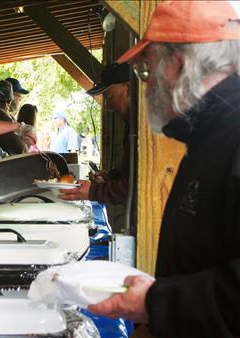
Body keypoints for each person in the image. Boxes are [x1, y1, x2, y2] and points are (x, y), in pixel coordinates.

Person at [87, 2, 240, 337]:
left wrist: (154, 303)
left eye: (147, 70)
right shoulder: (207, 135)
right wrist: (154, 319)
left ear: (179, 65)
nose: (146, 83)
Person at [59, 63, 130, 205]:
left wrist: (94, 191)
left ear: (128, 89)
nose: (108, 107)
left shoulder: (148, 127)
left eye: (109, 96)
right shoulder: (132, 124)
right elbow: (131, 178)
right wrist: (111, 178)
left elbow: (139, 187)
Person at [0, 80, 30, 154]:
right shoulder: (1, 116)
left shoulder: (9, 117)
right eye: (18, 96)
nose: (20, 100)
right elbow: (22, 149)